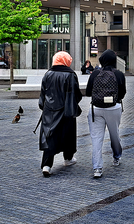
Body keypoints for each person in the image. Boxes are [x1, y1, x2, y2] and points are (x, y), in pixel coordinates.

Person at [38, 51, 83, 176]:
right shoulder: (70, 75)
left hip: (49, 112)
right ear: (66, 61)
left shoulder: (48, 74)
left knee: (50, 136)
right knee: (68, 135)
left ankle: (46, 165)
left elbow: (43, 94)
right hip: (66, 112)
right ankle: (68, 158)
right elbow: (76, 94)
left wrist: (44, 106)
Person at [85, 48, 126, 179]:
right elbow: (123, 93)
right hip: (114, 108)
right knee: (115, 135)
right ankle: (116, 157)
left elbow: (88, 92)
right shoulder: (119, 74)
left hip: (96, 108)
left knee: (96, 138)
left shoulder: (94, 74)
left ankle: (97, 168)